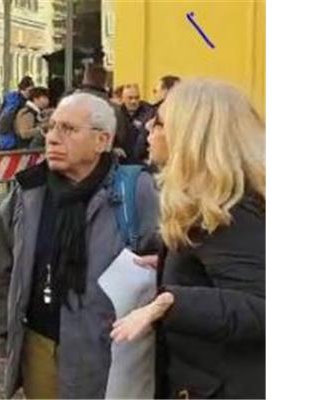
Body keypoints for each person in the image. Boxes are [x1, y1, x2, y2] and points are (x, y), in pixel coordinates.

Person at [0, 92, 160, 399]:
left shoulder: (135, 191)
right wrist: (4, 335)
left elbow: (165, 271)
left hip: (109, 352)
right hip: (40, 345)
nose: (52, 138)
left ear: (102, 141)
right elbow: (2, 270)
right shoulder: (29, 191)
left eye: (68, 129)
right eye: (50, 127)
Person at [111, 79, 266, 399]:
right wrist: (174, 266)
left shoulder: (232, 212)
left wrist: (170, 302)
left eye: (162, 122)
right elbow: (218, 274)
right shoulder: (208, 201)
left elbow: (262, 306)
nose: (149, 126)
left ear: (193, 136)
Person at [73, 63, 132, 163]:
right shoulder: (114, 109)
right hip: (104, 163)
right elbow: (123, 139)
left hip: (73, 159)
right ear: (104, 83)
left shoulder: (68, 105)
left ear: (84, 79)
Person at [0, 76, 34, 150]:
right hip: (10, 137)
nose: (30, 94)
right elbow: (6, 119)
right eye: (29, 91)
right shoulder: (16, 101)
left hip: (7, 137)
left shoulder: (14, 99)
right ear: (24, 90)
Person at [120, 84, 154, 164]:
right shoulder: (118, 113)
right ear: (123, 99)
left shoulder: (149, 113)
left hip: (143, 163)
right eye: (130, 98)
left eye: (137, 98)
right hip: (123, 162)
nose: (134, 101)